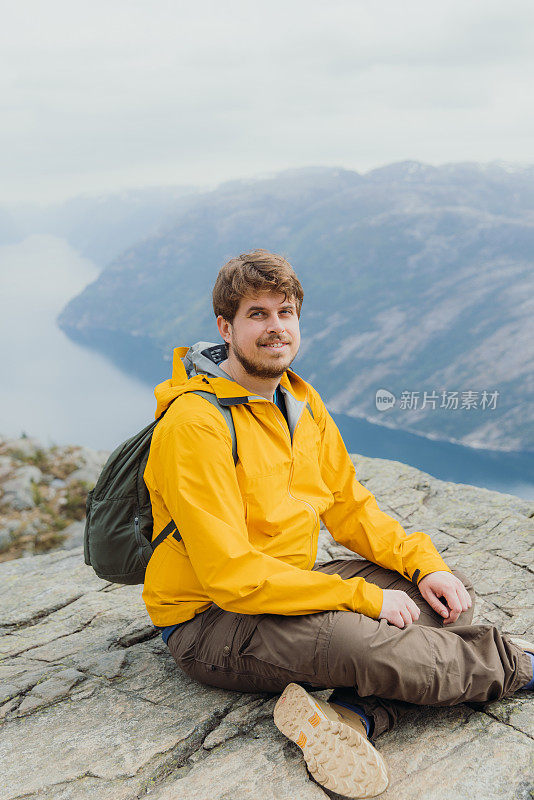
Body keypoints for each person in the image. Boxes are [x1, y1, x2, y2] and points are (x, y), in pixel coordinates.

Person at [142, 249, 534, 799]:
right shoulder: (196, 424)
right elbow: (230, 574)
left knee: (449, 599)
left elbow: (351, 507)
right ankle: (517, 665)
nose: (276, 327)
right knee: (374, 644)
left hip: (290, 592)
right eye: (258, 314)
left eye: (286, 312)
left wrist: (423, 566)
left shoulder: (298, 402)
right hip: (211, 621)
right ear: (225, 327)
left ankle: (353, 717)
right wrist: (360, 599)